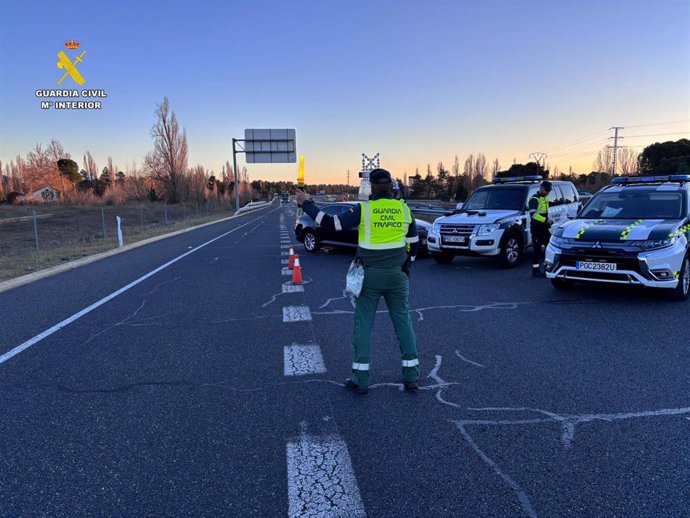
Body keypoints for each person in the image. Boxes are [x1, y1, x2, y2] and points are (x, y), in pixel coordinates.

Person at [294, 168, 420, 395]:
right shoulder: (404, 209)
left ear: (371, 188)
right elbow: (413, 242)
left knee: (363, 325)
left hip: (370, 276)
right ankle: (411, 375)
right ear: (391, 187)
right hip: (398, 275)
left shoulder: (364, 210)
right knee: (403, 323)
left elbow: (329, 223)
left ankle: (361, 377)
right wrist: (407, 265)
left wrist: (306, 203)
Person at [529, 180, 554, 277]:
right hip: (536, 229)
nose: (548, 192)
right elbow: (533, 215)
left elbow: (544, 213)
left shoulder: (544, 199)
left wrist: (548, 221)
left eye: (549, 191)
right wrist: (545, 220)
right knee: (537, 249)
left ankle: (546, 268)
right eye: (546, 190)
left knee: (549, 247)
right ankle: (535, 270)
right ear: (541, 188)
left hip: (544, 228)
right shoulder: (534, 199)